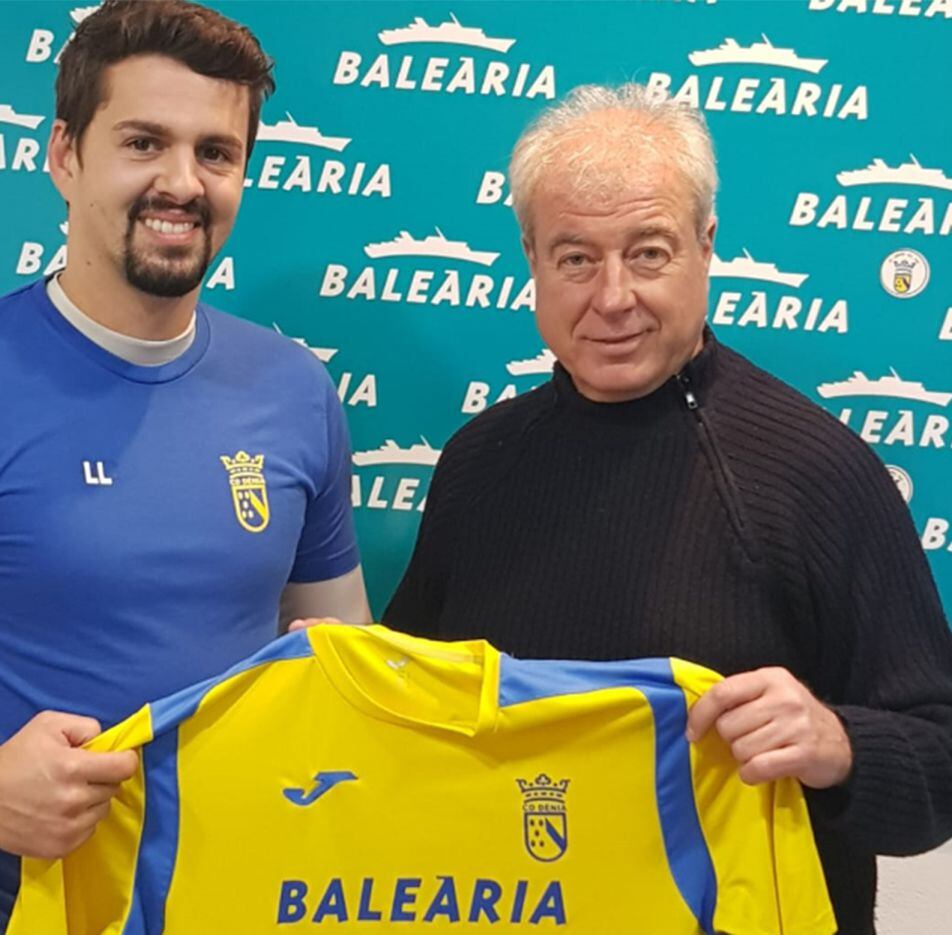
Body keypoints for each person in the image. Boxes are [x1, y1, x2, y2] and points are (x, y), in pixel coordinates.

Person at [384, 84, 952, 934]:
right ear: (532, 260)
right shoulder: (476, 464)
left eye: (647, 253)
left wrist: (840, 744)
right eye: (575, 258)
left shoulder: (821, 470)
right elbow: (413, 716)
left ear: (706, 247)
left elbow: (940, 763)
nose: (612, 297)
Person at [0, 2, 370, 931]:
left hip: (235, 906)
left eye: (215, 153)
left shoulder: (297, 390)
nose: (182, 182)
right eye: (144, 142)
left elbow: (340, 667)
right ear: (65, 154)